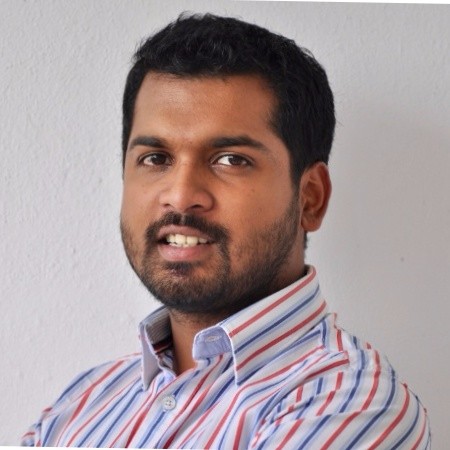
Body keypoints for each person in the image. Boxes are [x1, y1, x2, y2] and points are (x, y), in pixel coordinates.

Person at [22, 13, 430, 449]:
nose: (181, 196)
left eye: (231, 159)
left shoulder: (350, 404)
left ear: (310, 198)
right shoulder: (82, 403)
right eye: (156, 158)